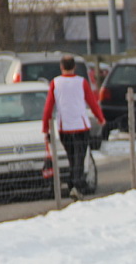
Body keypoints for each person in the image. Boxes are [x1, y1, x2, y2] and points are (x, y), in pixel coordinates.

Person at [41, 54, 105, 200]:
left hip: (65, 128)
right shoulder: (81, 82)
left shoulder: (55, 83)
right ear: (74, 67)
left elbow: (48, 107)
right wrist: (100, 118)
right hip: (81, 127)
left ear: (61, 67)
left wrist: (45, 127)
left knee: (72, 157)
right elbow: (92, 102)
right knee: (79, 158)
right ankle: (76, 184)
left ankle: (73, 184)